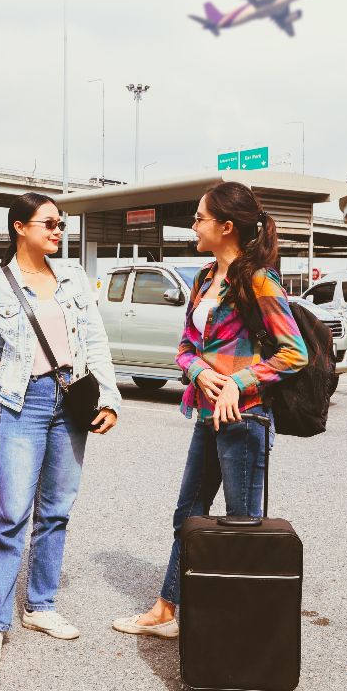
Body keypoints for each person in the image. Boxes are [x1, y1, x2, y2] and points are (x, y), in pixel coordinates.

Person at [111, 181, 308, 639]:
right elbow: (185, 348)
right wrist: (199, 371)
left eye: (200, 218)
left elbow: (294, 353)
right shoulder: (203, 278)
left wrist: (239, 381)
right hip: (206, 415)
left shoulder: (258, 280)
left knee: (242, 526)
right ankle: (166, 610)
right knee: (188, 515)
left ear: (227, 226)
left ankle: (243, 632)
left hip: (245, 421)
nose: (194, 225)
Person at [0, 192, 120, 666]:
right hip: (24, 402)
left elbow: (95, 341)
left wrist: (110, 398)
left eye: (60, 224)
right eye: (49, 223)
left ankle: (41, 606)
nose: (58, 231)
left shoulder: (72, 277)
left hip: (72, 398)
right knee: (10, 515)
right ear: (20, 227)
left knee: (56, 511)